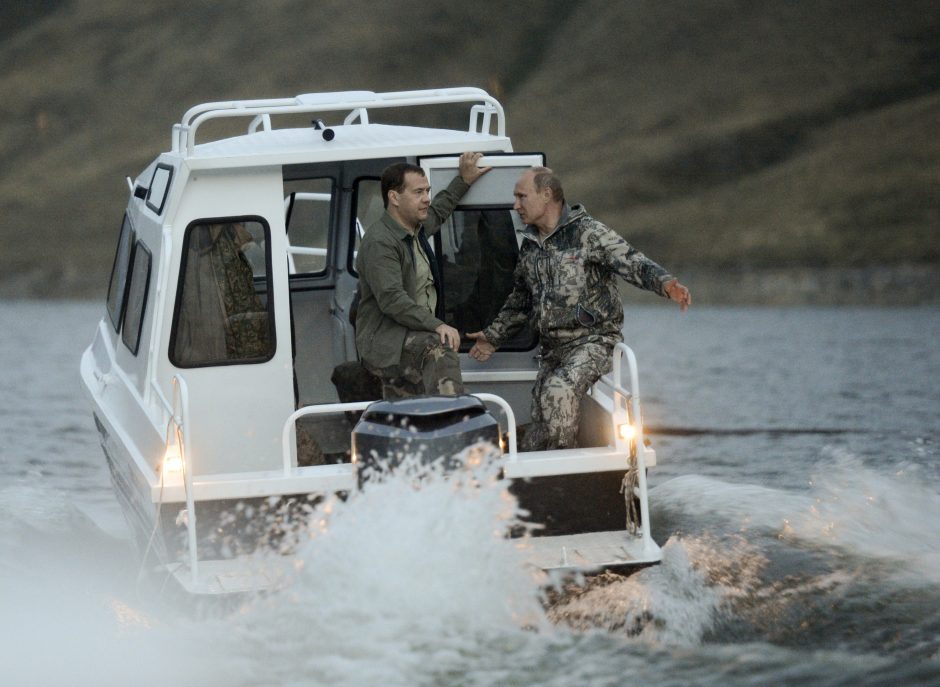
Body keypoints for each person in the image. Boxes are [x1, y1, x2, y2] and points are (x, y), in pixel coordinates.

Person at [467, 167, 691, 451]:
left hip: (594, 341)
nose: (516, 205)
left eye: (521, 197)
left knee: (559, 391)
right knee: (539, 430)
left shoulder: (589, 233)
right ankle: (534, 478)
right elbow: (521, 300)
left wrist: (667, 285)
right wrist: (492, 337)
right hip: (552, 351)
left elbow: (633, 262)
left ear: (546, 195)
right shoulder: (531, 247)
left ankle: (562, 476)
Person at [355, 152, 490, 399]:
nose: (426, 198)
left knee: (411, 412)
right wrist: (438, 324)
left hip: (413, 335)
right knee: (440, 348)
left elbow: (439, 210)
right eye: (418, 193)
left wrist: (464, 180)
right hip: (386, 342)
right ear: (394, 197)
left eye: (427, 191)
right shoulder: (380, 242)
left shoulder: (416, 228)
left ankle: (437, 420)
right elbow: (392, 299)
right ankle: (454, 418)